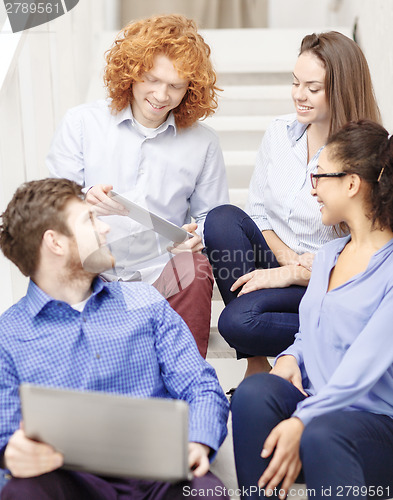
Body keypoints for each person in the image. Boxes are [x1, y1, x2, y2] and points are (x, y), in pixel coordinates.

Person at [0, 178, 230, 500]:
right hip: (69, 483)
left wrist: (198, 441)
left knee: (205, 491)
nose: (105, 229)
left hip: (158, 476)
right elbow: (4, 430)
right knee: (23, 491)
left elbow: (201, 386)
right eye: (89, 220)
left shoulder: (144, 301)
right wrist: (11, 453)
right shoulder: (9, 334)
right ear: (55, 243)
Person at [46, 14, 229, 358]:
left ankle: (185, 381)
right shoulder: (82, 123)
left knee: (198, 267)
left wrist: (195, 236)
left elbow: (212, 217)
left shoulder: (203, 143)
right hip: (93, 271)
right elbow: (50, 205)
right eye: (151, 79)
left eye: (176, 86)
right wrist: (83, 201)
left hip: (163, 272)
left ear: (191, 87)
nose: (161, 96)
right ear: (130, 72)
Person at [231, 120, 393, 499]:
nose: (312, 188)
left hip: (375, 422)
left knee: (322, 433)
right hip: (319, 404)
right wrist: (288, 357)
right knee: (253, 393)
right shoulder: (329, 256)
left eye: (319, 176)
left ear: (351, 184)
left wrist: (303, 418)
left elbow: (362, 368)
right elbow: (309, 334)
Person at [204, 30, 381, 377]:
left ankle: (322, 338)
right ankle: (256, 362)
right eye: (295, 82)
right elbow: (258, 213)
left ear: (341, 90)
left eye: (312, 88)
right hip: (279, 258)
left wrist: (294, 274)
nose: (298, 95)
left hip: (326, 282)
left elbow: (362, 254)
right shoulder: (278, 132)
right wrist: (283, 264)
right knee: (222, 219)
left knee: (239, 321)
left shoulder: (366, 154)